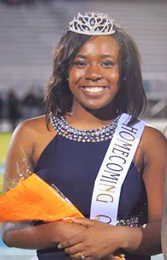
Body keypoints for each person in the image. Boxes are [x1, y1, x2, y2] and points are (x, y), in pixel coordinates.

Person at [1, 11, 167, 260]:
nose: (93, 73)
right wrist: (59, 230)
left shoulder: (149, 141)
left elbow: (162, 231)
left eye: (107, 63)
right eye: (80, 62)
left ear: (123, 72)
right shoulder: (30, 135)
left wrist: (119, 237)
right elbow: (11, 230)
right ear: (64, 70)